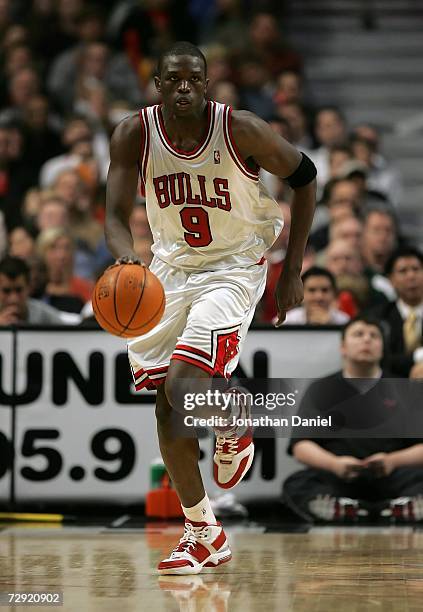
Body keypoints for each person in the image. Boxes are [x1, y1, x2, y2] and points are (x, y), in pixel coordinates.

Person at [105, 41, 316, 575]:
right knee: (166, 407)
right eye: (172, 79)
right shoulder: (134, 133)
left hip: (234, 267)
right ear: (157, 84)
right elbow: (112, 214)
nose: (183, 87)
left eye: (192, 79)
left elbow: (306, 177)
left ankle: (234, 416)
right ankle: (203, 531)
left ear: (206, 83)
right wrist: (127, 261)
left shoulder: (240, 128)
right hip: (171, 269)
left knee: (182, 385)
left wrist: (290, 271)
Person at [283, 316, 423, 522]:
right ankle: (370, 510)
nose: (366, 340)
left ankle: (380, 509)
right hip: (339, 477)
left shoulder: (404, 389)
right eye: (358, 334)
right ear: (343, 347)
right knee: (296, 483)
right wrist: (334, 464)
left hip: (394, 476)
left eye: (374, 336)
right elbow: (301, 447)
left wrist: (392, 461)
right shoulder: (321, 389)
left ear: (382, 348)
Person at [370, 247, 423, 377]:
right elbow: (380, 359)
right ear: (391, 280)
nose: (411, 276)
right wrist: (418, 356)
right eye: (403, 271)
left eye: (416, 269)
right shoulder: (378, 317)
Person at [0, 255, 67, 325]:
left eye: (19, 290)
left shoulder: (46, 317)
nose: (13, 299)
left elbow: (68, 334)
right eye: (6, 291)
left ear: (29, 288)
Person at [283, 266, 350, 326]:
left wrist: (329, 326)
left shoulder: (345, 322)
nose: (319, 297)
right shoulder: (286, 323)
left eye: (325, 290)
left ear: (334, 294)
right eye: (312, 290)